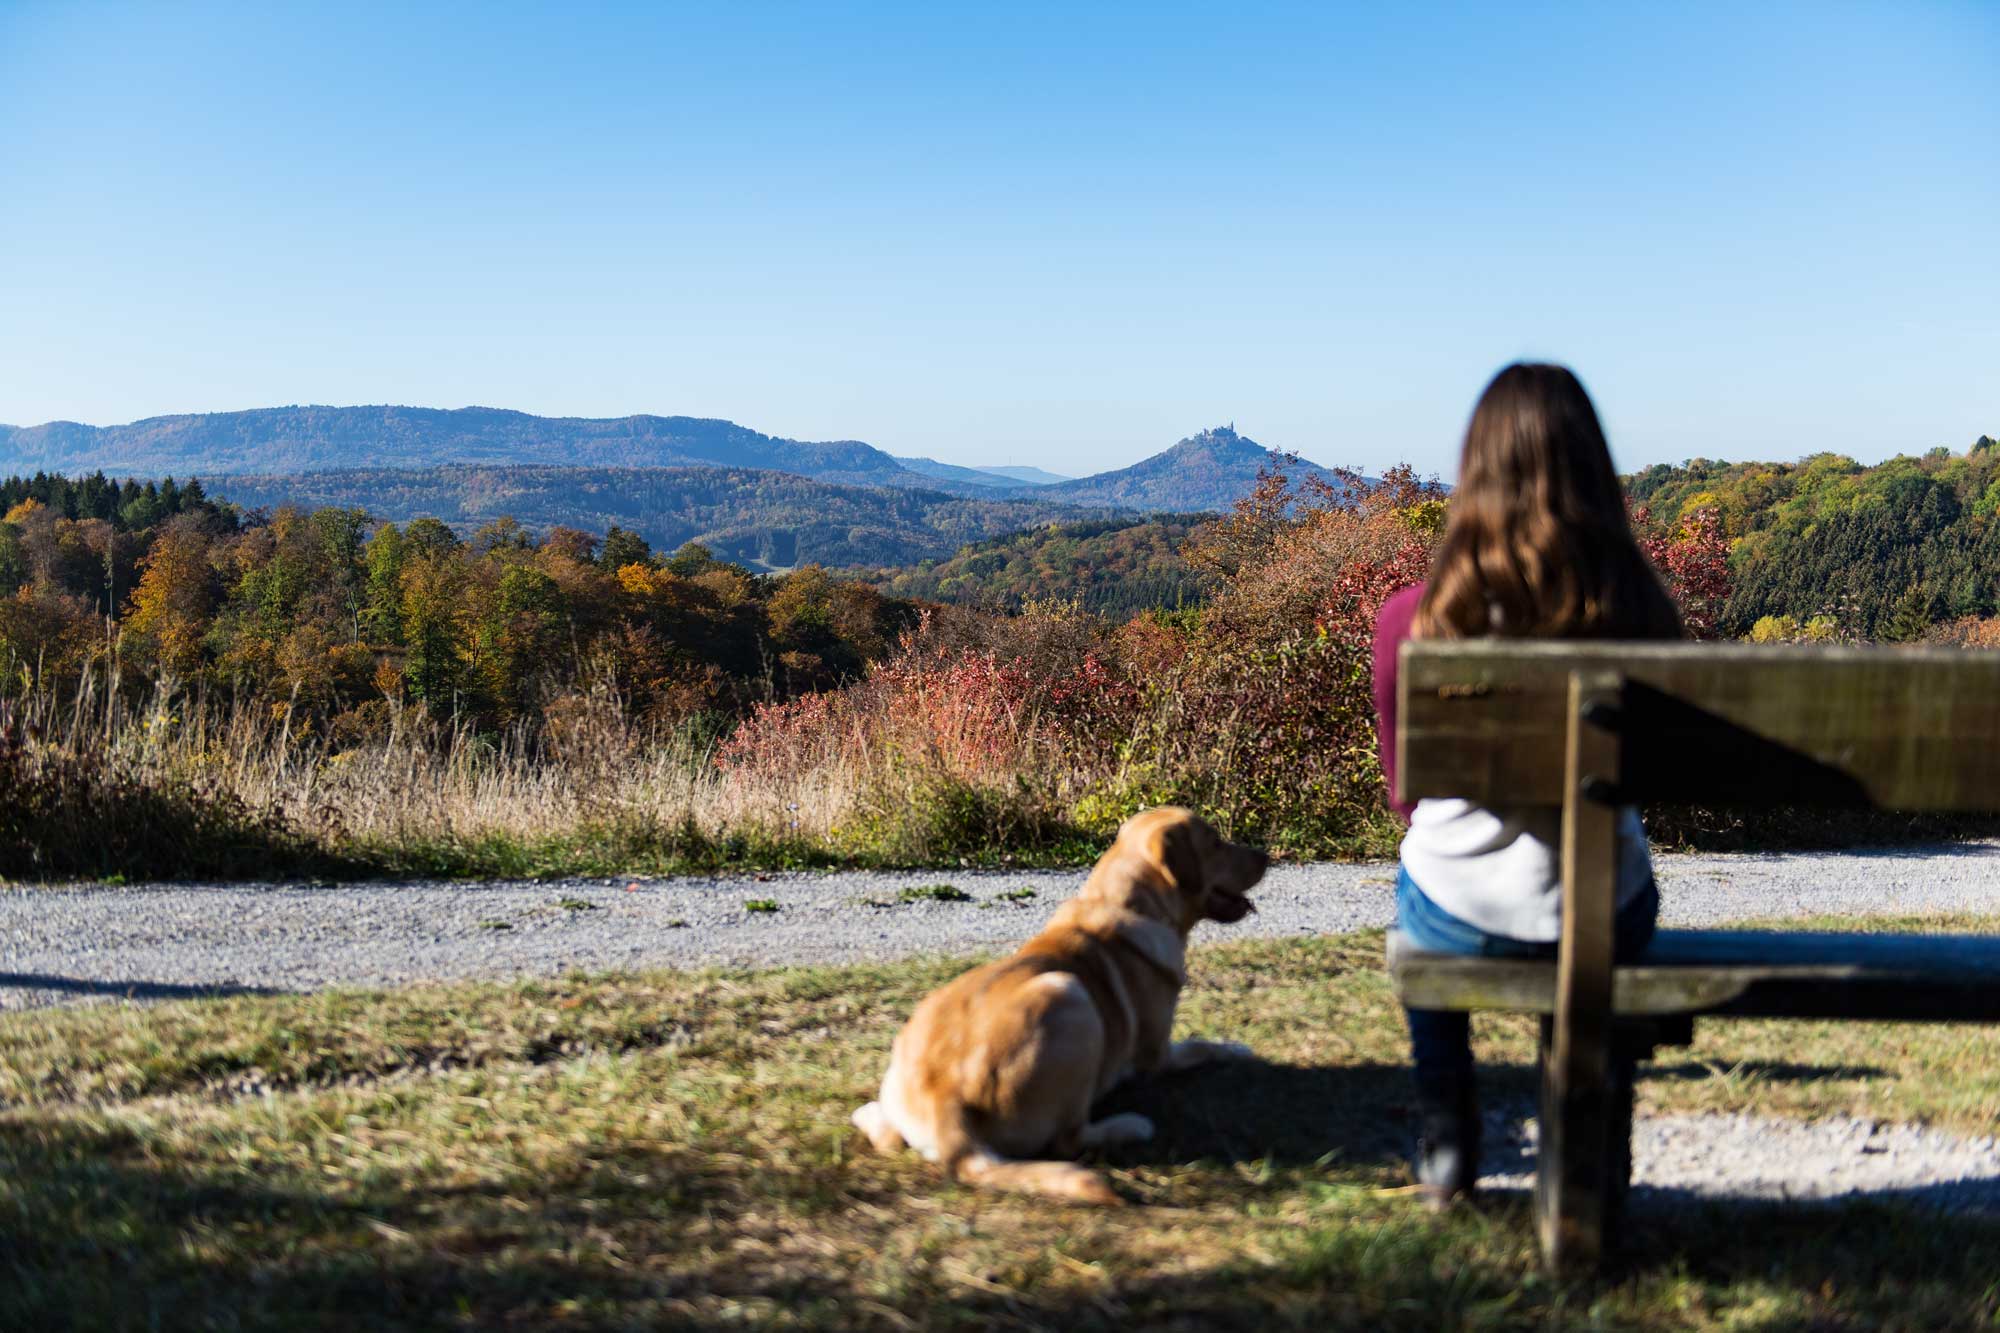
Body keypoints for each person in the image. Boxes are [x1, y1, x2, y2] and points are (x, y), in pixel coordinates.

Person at [1371, 362, 1682, 1207]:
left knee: (1419, 877)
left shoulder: (1412, 620)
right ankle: (1592, 1142)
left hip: (1455, 911)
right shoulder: (1643, 616)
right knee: (1603, 914)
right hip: (1603, 910)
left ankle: (1446, 1134)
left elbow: (1406, 790)